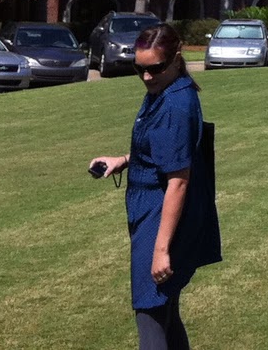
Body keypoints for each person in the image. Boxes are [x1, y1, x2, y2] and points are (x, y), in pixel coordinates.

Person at [89, 25, 221, 350]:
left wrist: (161, 251)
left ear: (177, 60)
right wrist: (123, 160)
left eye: (155, 68)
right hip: (156, 218)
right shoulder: (168, 91)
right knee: (166, 312)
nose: (147, 77)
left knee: (150, 314)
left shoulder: (174, 105)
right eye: (140, 68)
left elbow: (178, 181)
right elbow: (164, 149)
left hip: (160, 223)